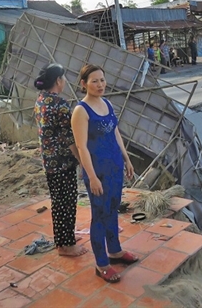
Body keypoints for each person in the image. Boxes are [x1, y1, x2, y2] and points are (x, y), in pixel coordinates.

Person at [71, 64, 137, 283]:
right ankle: (101, 263)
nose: (100, 85)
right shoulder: (81, 110)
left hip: (115, 167)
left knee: (112, 209)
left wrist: (126, 158)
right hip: (97, 171)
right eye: (94, 81)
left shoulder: (107, 103)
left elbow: (116, 134)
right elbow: (81, 148)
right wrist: (91, 176)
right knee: (99, 215)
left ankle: (115, 251)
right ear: (84, 84)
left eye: (102, 80)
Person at [33, 63, 87, 257]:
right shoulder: (60, 104)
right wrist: (82, 160)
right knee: (67, 202)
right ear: (58, 80)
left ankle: (62, 240)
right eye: (63, 78)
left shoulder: (41, 100)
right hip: (63, 162)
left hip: (49, 161)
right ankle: (67, 245)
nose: (64, 82)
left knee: (58, 202)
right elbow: (69, 138)